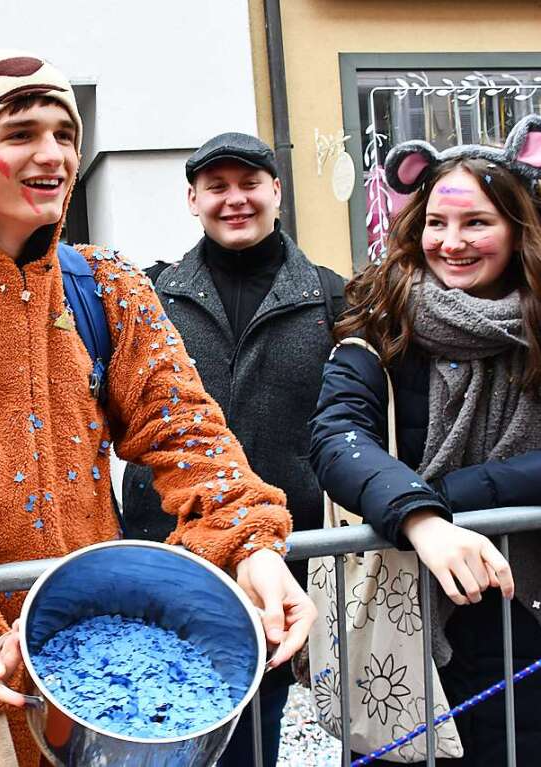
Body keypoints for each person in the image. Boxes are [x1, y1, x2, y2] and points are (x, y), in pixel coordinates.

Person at [0, 45, 316, 767]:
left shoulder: (107, 285)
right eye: (20, 132)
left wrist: (250, 542)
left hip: (89, 675)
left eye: (64, 134)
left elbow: (191, 436)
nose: (52, 154)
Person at [309, 116, 541, 766]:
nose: (451, 241)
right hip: (406, 615)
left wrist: (458, 494)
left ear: (516, 228)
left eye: (475, 223)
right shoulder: (380, 323)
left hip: (526, 613)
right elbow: (335, 438)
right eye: (436, 223)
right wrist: (421, 517)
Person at [121, 131, 345, 767]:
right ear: (192, 200)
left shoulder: (334, 297)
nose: (234, 199)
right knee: (157, 713)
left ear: (276, 191)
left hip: (279, 554)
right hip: (169, 548)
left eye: (249, 184)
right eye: (216, 187)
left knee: (254, 722)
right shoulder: (149, 295)